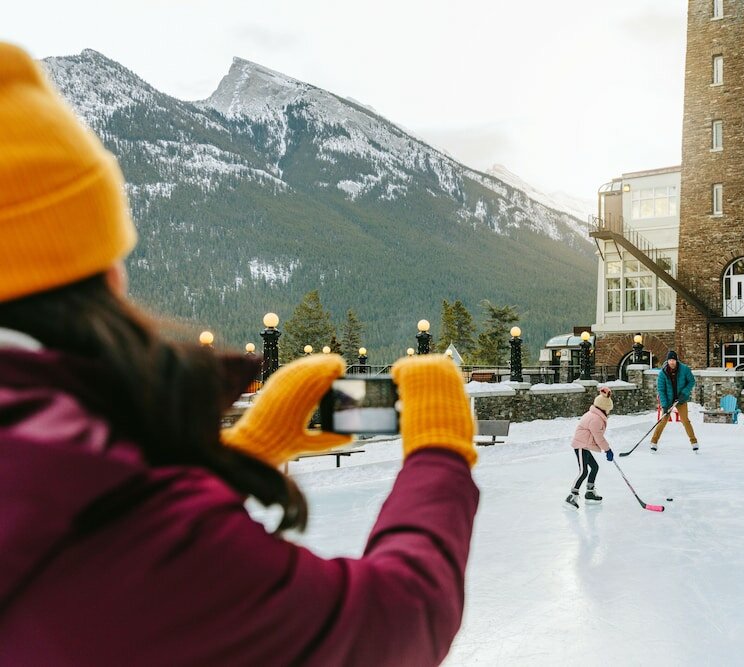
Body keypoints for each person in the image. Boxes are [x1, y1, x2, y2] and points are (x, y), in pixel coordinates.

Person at [0, 42, 479, 666]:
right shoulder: (128, 535)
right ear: (99, 273)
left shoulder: (69, 498)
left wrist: (233, 459)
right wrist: (439, 449)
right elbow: (392, 624)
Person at [566, 387, 614, 508]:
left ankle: (590, 492)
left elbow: (597, 437)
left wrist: (606, 449)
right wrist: (607, 450)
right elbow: (598, 437)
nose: (609, 412)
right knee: (584, 471)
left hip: (585, 446)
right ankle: (572, 496)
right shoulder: (595, 419)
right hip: (580, 445)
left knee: (594, 467)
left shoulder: (594, 415)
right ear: (604, 408)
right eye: (608, 409)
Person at [650, 350, 699, 452]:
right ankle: (654, 442)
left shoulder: (684, 369)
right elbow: (661, 390)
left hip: (681, 399)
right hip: (668, 400)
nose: (671, 362)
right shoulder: (662, 373)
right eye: (670, 360)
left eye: (673, 360)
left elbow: (691, 381)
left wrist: (684, 393)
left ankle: (694, 442)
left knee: (685, 420)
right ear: (667, 361)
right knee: (663, 420)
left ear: (676, 360)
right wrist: (664, 405)